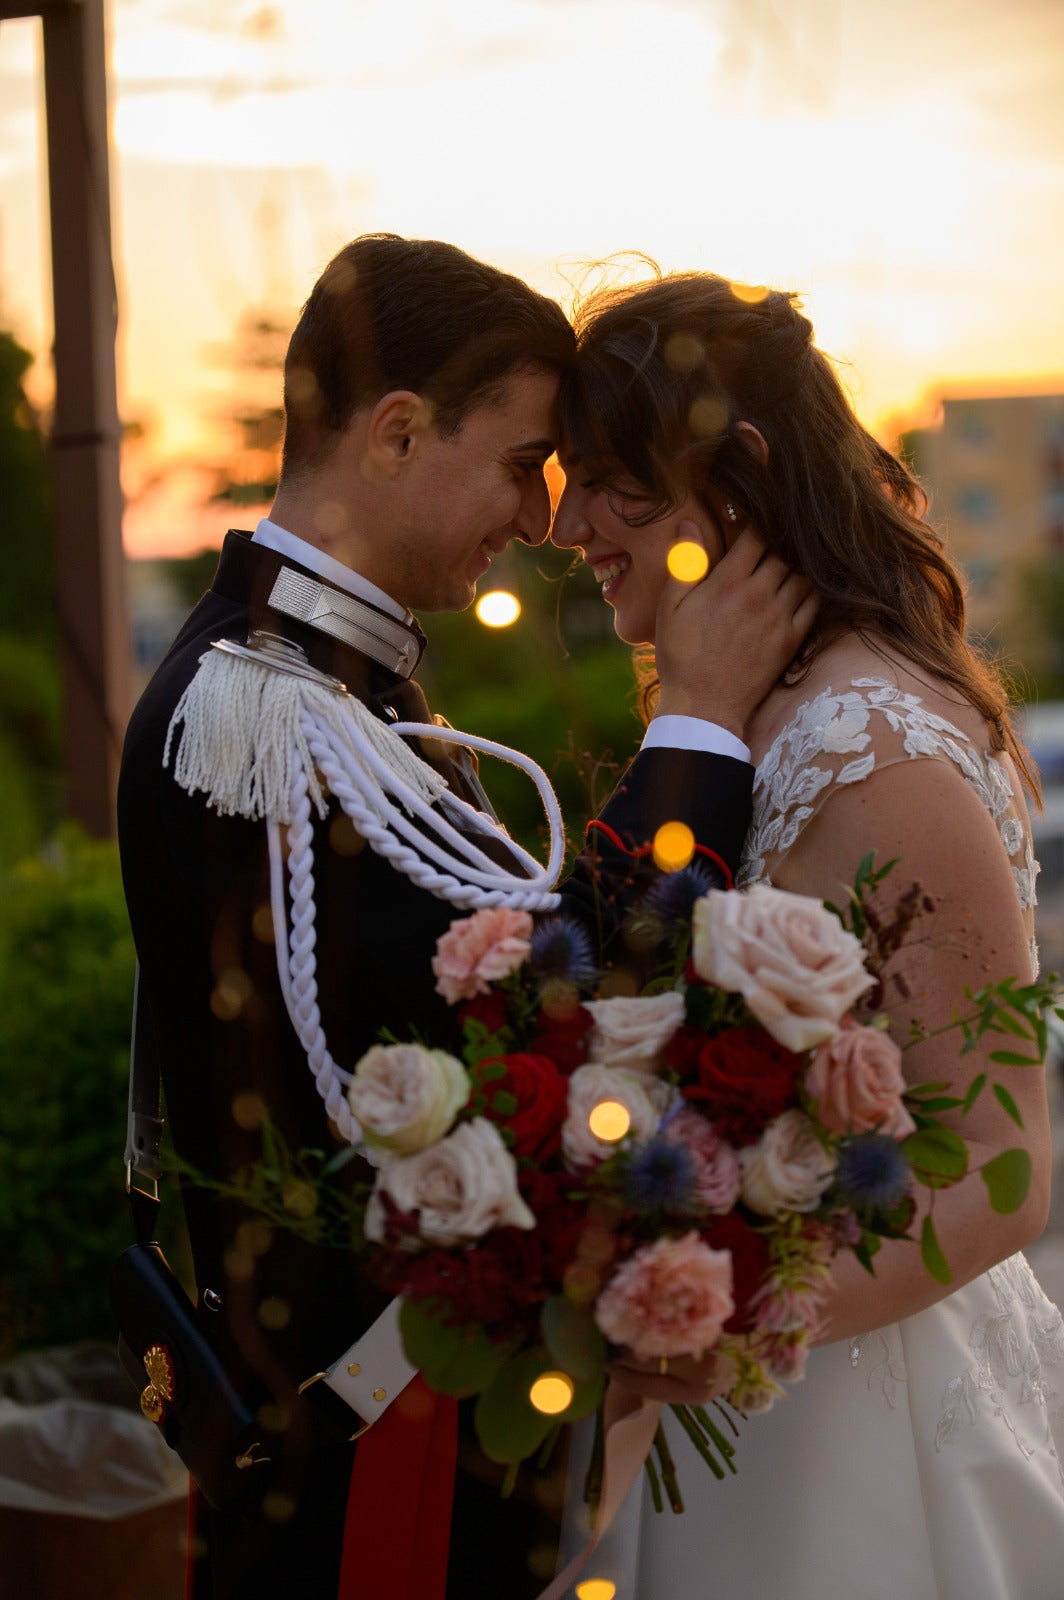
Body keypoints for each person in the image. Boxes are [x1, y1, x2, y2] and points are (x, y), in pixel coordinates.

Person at [116, 236, 815, 1600]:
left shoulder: (326, 693)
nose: (545, 517)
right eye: (521, 460)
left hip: (407, 1435)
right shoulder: (266, 712)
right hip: (378, 1459)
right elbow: (554, 1014)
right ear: (395, 432)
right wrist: (699, 720)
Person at [550, 269, 1064, 1599]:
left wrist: (736, 1326)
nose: (570, 524)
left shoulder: (873, 742)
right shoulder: (755, 714)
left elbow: (1006, 1159)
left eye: (615, 481)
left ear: (742, 470)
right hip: (731, 1402)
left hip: (848, 1415)